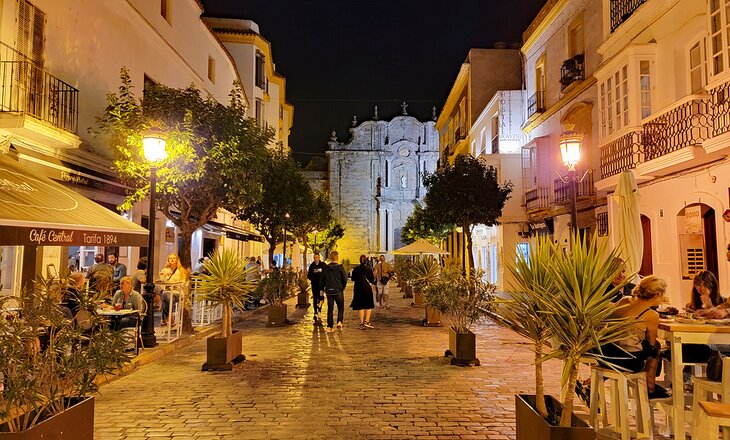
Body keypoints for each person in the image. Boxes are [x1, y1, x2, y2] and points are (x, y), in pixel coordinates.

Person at [578, 276, 670, 402]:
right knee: (655, 349)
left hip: (606, 353)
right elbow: (651, 342)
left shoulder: (625, 300)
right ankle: (650, 389)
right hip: (627, 360)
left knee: (647, 349)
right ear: (657, 295)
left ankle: (590, 383)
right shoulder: (652, 316)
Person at [320, 251, 348, 333]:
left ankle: (329, 326)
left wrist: (322, 289)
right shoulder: (340, 267)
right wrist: (342, 287)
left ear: (330, 258)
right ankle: (339, 321)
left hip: (329, 291)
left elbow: (323, 279)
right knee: (340, 307)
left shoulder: (326, 268)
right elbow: (344, 279)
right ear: (337, 258)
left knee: (330, 308)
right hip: (338, 290)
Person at [159, 253, 188, 326]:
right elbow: (162, 282)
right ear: (168, 260)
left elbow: (185, 283)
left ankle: (166, 317)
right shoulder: (164, 270)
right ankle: (170, 318)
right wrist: (163, 278)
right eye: (170, 258)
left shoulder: (181, 271)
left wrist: (177, 285)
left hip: (177, 292)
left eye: (174, 258)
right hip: (168, 291)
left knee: (166, 298)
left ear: (177, 260)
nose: (172, 259)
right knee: (168, 297)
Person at [350, 255, 376, 329]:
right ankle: (367, 321)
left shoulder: (356, 269)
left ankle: (361, 323)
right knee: (368, 305)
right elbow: (372, 280)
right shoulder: (369, 269)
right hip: (367, 288)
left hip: (358, 288)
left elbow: (353, 279)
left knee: (360, 306)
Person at [308, 253, 327, 322]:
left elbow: (326, 274)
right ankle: (315, 312)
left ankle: (319, 310)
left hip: (321, 286)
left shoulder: (323, 265)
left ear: (319, 258)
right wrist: (313, 279)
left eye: (317, 257)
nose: (315, 259)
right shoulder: (312, 266)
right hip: (314, 285)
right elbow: (309, 275)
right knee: (315, 298)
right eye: (314, 257)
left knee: (321, 299)